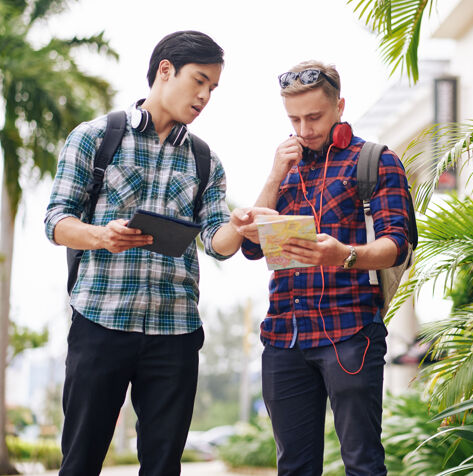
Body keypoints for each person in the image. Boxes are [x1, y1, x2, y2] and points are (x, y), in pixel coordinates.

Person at [44, 30, 273, 476]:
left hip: (176, 332)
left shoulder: (205, 161)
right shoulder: (95, 138)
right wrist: (100, 235)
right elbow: (55, 221)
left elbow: (216, 244)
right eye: (200, 81)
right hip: (100, 323)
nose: (205, 96)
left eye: (213, 88)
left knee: (164, 466)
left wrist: (237, 227)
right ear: (165, 70)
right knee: (80, 461)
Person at [242, 60, 412, 475]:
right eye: (294, 119)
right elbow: (251, 249)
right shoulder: (285, 169)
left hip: (350, 331)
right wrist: (273, 174)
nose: (303, 129)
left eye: (314, 117)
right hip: (284, 337)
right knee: (294, 467)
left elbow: (398, 244)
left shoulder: (376, 161)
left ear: (339, 108)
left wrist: (345, 255)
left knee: (362, 463)